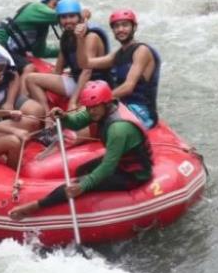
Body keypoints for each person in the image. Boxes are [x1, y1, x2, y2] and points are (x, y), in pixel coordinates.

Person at [9, 81, 153, 220]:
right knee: (82, 170)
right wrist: (64, 117)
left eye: (95, 107)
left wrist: (83, 186)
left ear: (106, 103)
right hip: (122, 161)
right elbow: (76, 123)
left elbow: (108, 167)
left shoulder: (118, 129)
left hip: (133, 174)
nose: (91, 111)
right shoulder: (99, 111)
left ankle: (33, 207)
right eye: (89, 107)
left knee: (73, 186)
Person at [24, 0, 110, 119]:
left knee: (77, 115)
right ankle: (47, 115)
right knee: (30, 79)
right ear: (59, 20)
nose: (68, 21)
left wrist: (73, 101)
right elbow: (57, 71)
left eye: (71, 16)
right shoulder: (66, 37)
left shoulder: (91, 37)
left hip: (95, 85)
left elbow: (87, 71)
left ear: (79, 18)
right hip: (76, 81)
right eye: (64, 17)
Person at [75, 8, 160, 128]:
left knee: (90, 126)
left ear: (134, 27)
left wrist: (97, 99)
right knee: (83, 117)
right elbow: (85, 63)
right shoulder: (118, 54)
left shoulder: (141, 51)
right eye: (116, 26)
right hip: (122, 105)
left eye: (125, 25)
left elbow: (128, 87)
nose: (120, 29)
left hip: (142, 113)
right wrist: (80, 38)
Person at [0, 0, 68, 73]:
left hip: (9, 49)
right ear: (45, 2)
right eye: (55, 5)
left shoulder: (43, 26)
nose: (57, 10)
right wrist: (78, 14)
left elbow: (39, 52)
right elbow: (61, 15)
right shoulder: (36, 8)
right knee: (26, 68)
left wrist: (65, 50)